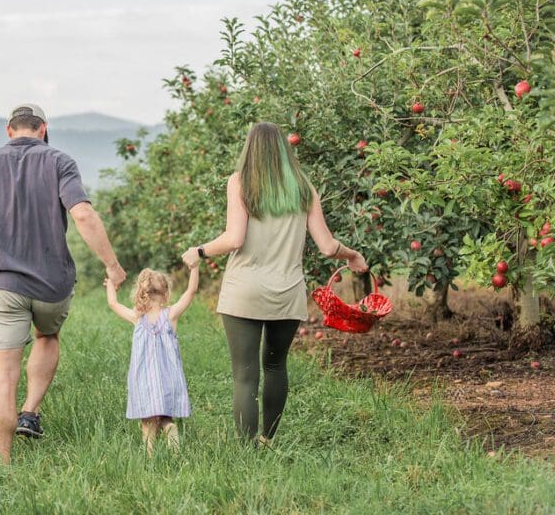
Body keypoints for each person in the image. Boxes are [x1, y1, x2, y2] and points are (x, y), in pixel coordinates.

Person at [0, 103, 127, 464]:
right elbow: (84, 213)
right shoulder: (60, 161)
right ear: (43, 129)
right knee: (47, 336)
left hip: (3, 284)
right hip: (52, 283)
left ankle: (2, 465)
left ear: (9, 131)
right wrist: (113, 266)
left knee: (3, 375)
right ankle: (30, 411)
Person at [181, 122, 367, 446]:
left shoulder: (240, 183)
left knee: (245, 374)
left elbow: (234, 238)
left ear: (250, 149)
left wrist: (199, 251)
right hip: (287, 291)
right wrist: (353, 256)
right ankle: (268, 438)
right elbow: (327, 246)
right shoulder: (303, 188)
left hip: (245, 290)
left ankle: (246, 449)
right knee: (276, 366)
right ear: (284, 149)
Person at [105, 266, 199, 455]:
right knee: (165, 414)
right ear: (166, 294)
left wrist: (110, 285)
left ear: (141, 293)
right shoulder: (170, 315)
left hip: (144, 379)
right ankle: (168, 426)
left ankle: (149, 455)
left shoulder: (137, 318)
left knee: (147, 419)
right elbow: (191, 292)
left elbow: (113, 304)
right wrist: (195, 268)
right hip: (169, 377)